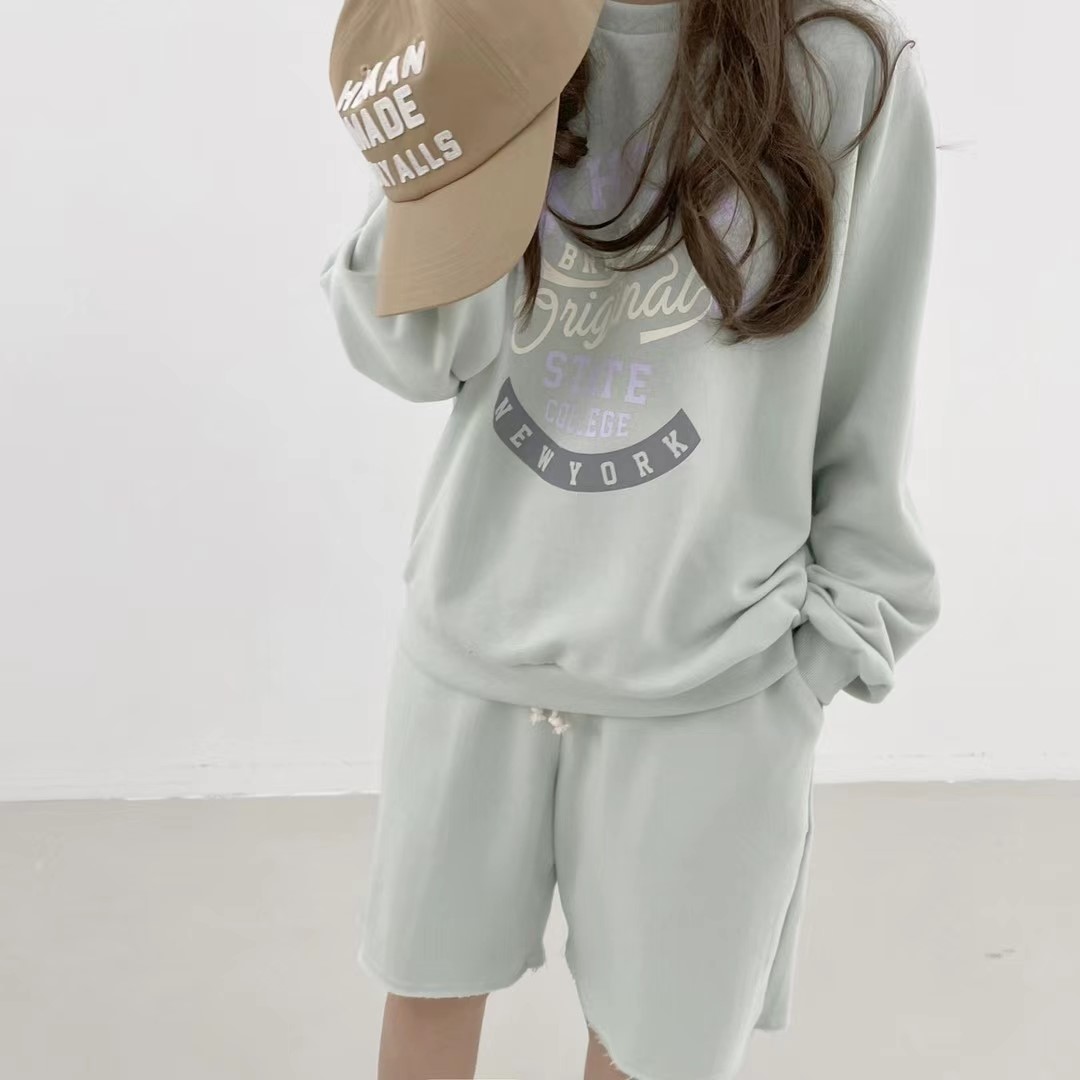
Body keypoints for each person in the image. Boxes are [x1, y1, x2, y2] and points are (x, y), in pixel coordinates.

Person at [320, 0, 943, 1077]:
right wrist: (455, 81)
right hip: (473, 648)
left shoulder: (843, 61)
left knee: (654, 1052)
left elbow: (866, 385)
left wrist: (820, 654)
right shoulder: (496, 23)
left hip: (712, 681)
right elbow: (415, 350)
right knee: (425, 1005)